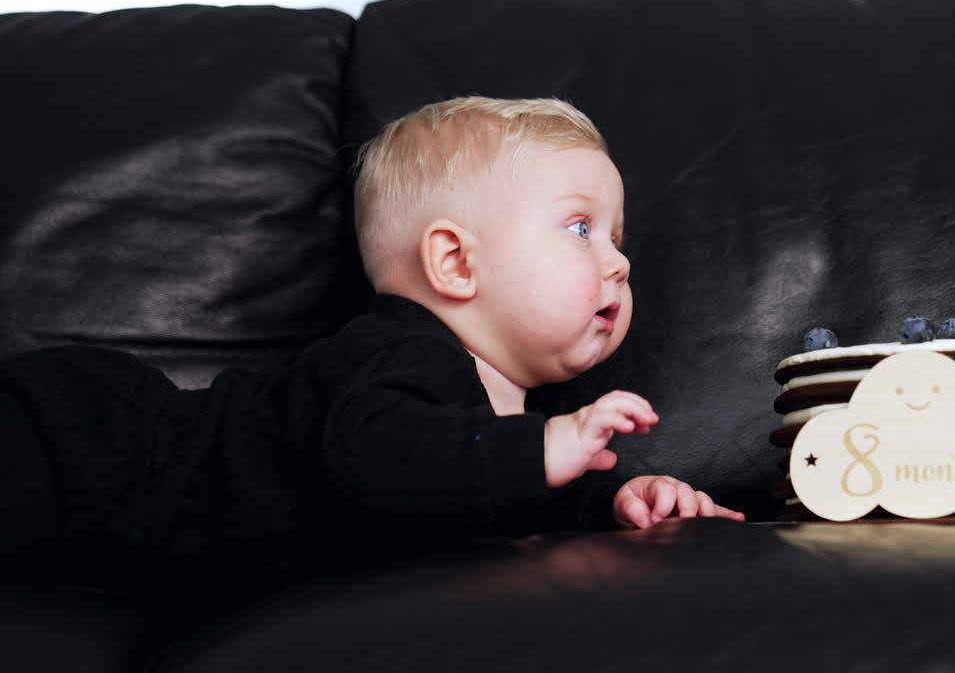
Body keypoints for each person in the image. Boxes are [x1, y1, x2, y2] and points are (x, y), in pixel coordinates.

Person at [0, 96, 743, 597]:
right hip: (90, 447)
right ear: (456, 264)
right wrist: (545, 449)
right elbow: (383, 462)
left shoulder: (506, 422)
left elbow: (488, 486)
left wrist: (618, 499)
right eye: (581, 229)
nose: (619, 262)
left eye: (617, 239)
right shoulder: (398, 353)